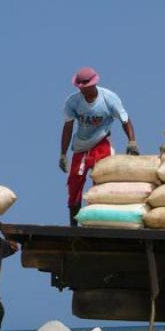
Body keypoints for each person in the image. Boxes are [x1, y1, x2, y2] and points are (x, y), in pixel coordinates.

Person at [59, 66, 139, 225]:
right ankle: (73, 225)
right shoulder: (73, 102)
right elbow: (67, 127)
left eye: (86, 87)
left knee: (102, 181)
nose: (83, 90)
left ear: (93, 84)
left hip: (102, 143)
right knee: (75, 182)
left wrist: (132, 141)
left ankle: (99, 220)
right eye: (80, 87)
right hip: (81, 146)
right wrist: (63, 153)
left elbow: (125, 119)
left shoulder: (109, 98)